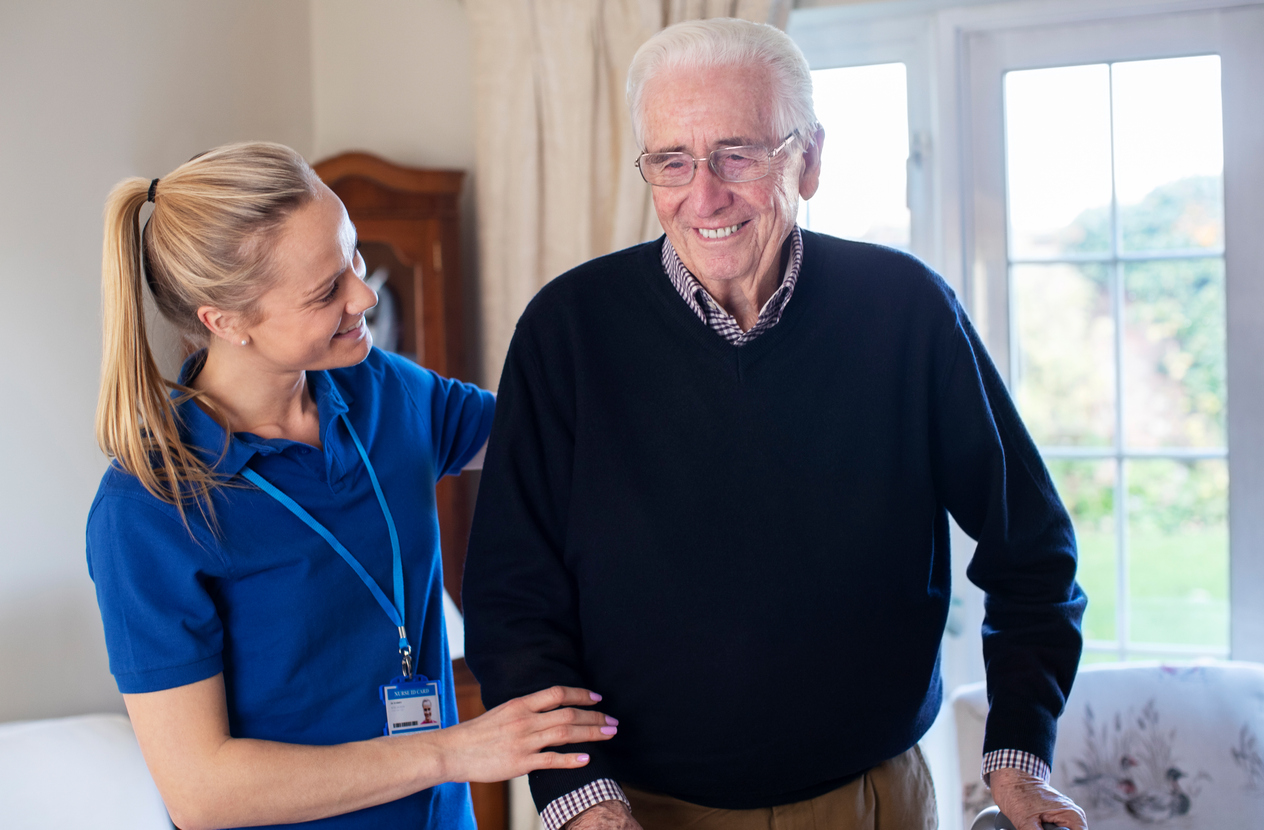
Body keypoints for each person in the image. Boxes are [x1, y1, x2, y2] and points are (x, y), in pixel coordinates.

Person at [462, 19, 1088, 830]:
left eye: (738, 155)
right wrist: (581, 801)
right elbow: (513, 602)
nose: (705, 195)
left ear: (810, 159)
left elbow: (1032, 552)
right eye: (672, 161)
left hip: (873, 803)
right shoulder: (565, 331)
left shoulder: (907, 311)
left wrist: (1018, 753)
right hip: (637, 812)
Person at [86, 142, 618, 830]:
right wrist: (450, 752)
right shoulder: (148, 509)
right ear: (226, 320)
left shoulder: (381, 390)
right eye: (325, 290)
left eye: (354, 256)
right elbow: (202, 792)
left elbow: (553, 436)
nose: (364, 295)